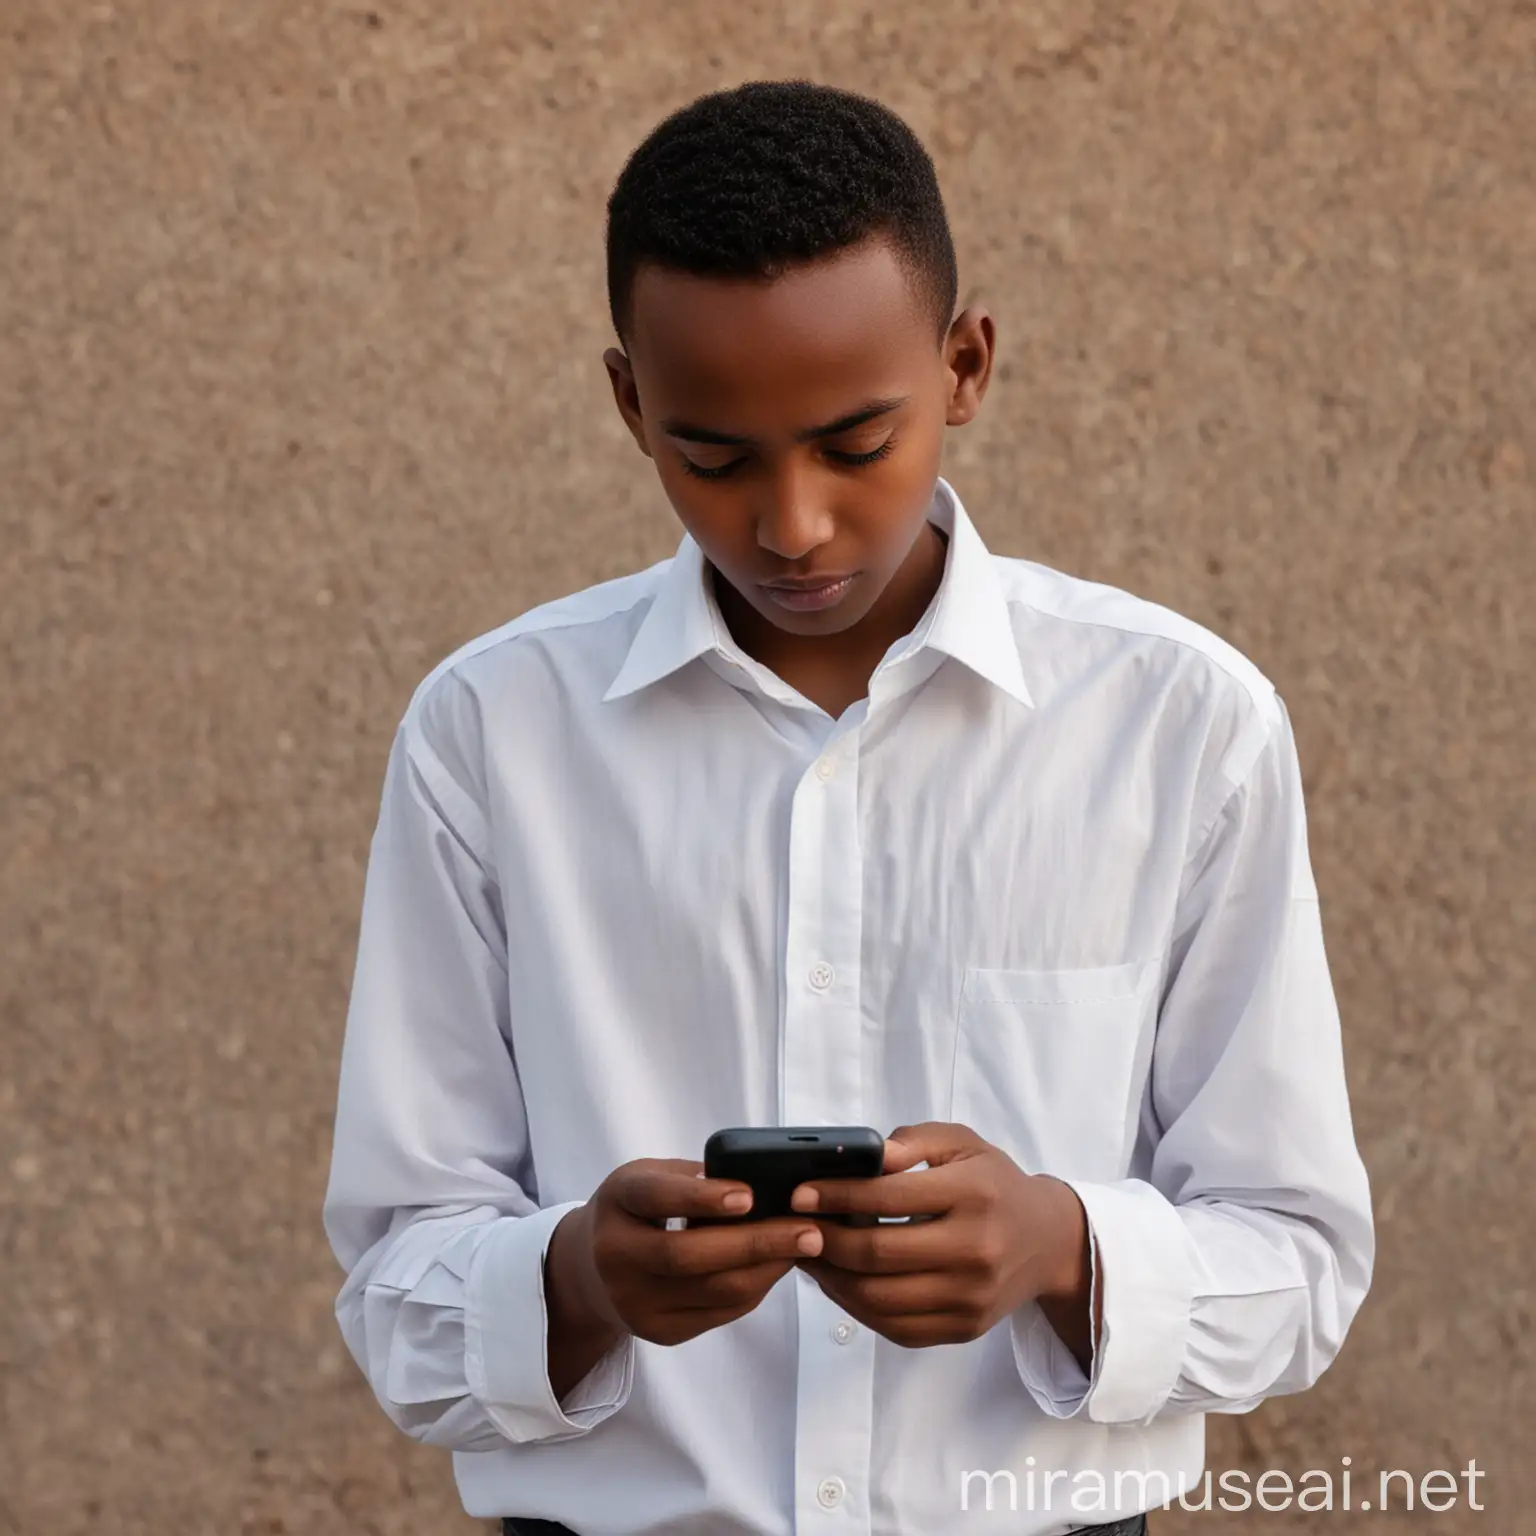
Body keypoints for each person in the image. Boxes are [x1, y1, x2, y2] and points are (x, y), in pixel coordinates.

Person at [322, 80, 1374, 1536]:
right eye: (713, 457)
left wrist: (1060, 1246)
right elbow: (396, 1285)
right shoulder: (492, 732)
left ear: (967, 363)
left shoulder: (1179, 726)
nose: (793, 522)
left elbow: (1301, 1258)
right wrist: (576, 1284)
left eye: (855, 442)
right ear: (631, 403)